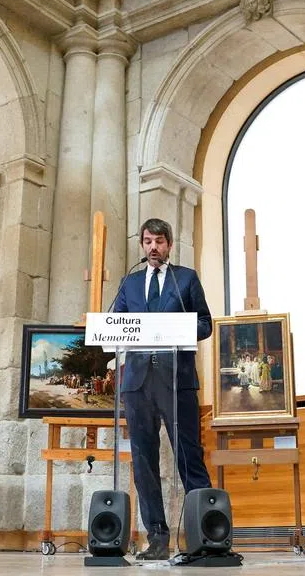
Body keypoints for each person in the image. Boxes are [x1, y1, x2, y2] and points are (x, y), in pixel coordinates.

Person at [113, 218, 213, 560]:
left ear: (169, 244)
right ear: (142, 245)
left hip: (177, 382)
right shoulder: (129, 283)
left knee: (189, 456)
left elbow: (205, 324)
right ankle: (157, 538)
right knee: (143, 462)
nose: (153, 247)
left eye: (159, 241)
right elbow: (117, 324)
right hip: (138, 384)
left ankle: (204, 535)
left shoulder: (185, 278)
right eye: (147, 241)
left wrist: (174, 331)